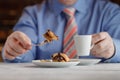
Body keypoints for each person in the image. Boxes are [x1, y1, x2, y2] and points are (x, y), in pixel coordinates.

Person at [2, 0, 120, 63]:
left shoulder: (109, 12)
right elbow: (22, 54)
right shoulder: (32, 15)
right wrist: (14, 50)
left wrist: (114, 49)